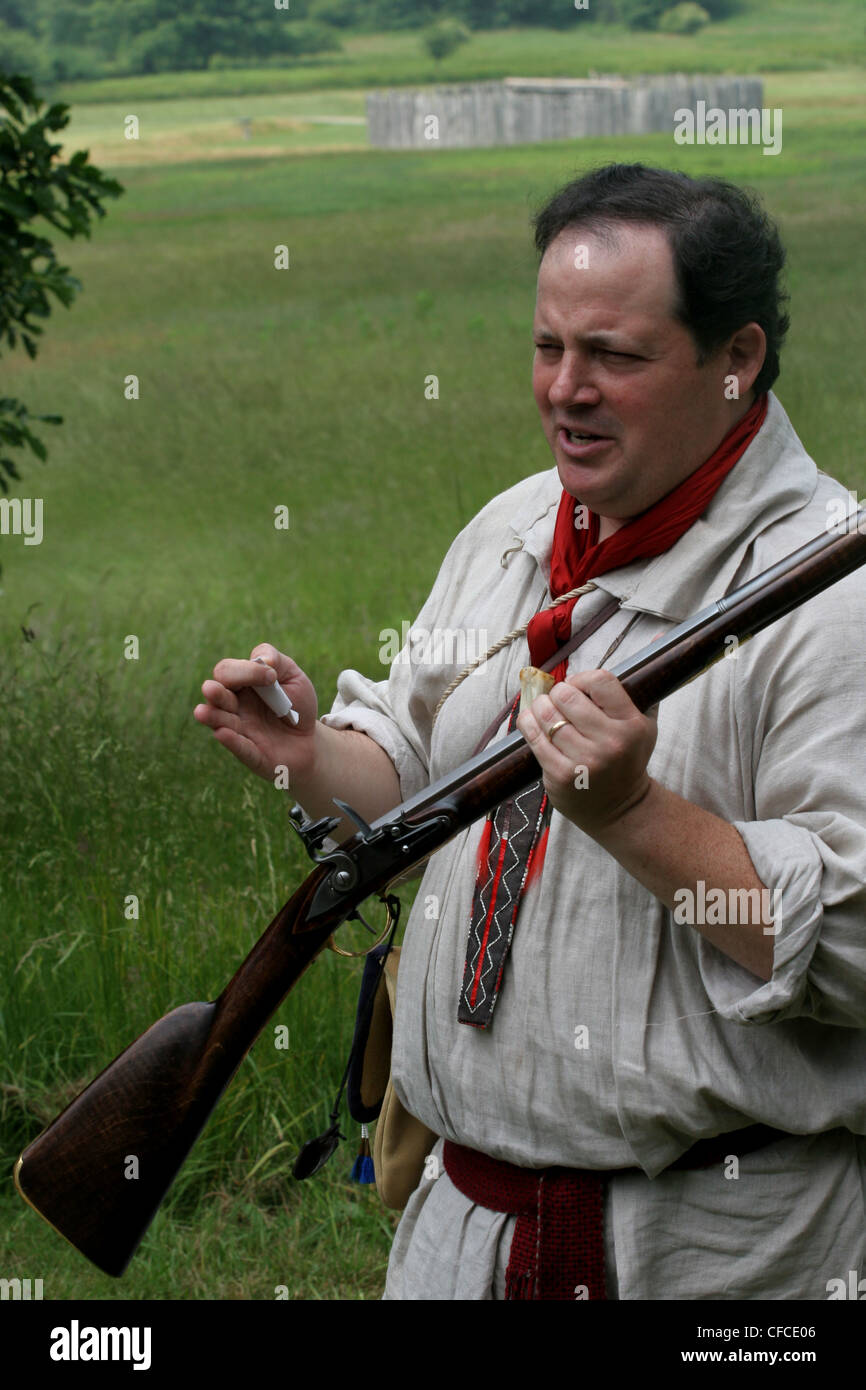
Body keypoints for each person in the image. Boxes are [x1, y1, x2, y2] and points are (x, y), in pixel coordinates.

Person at [194, 164, 866, 1300]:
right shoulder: (511, 530)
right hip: (465, 1229)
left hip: (724, 1256)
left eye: (613, 355)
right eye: (547, 347)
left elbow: (851, 945)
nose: (566, 389)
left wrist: (634, 817)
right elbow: (411, 777)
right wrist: (309, 758)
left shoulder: (830, 591)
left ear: (735, 358)